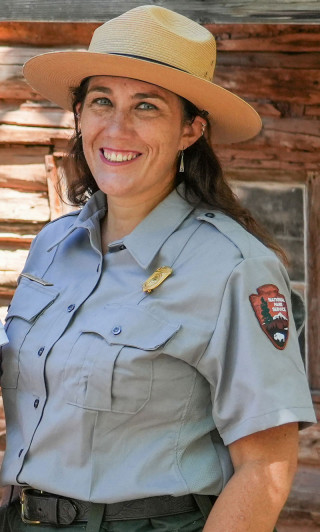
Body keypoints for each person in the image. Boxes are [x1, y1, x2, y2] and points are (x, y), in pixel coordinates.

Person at [0, 5, 316, 532]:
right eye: (102, 101)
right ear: (79, 115)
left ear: (190, 130)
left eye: (146, 106)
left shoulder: (235, 268)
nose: (117, 127)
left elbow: (266, 467)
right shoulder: (53, 247)